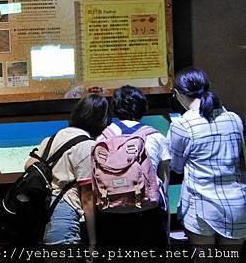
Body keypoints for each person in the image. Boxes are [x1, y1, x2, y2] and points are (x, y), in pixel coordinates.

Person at [168, 68, 246, 262]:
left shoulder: (182, 124)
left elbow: (176, 166)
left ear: (178, 93)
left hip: (200, 207)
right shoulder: (233, 118)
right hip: (236, 205)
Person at [25, 94, 110, 248]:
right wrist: (92, 242)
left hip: (41, 212)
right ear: (101, 121)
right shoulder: (87, 146)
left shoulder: (52, 138)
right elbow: (87, 199)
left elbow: (29, 165)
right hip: (63, 217)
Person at [95, 85, 170, 253]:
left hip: (110, 213)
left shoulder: (102, 138)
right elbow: (164, 184)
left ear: (114, 108)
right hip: (147, 214)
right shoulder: (156, 137)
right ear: (143, 107)